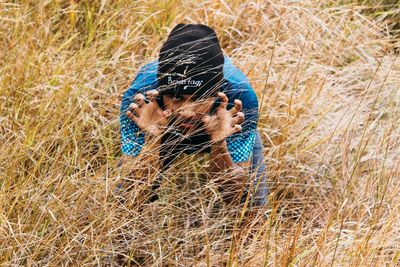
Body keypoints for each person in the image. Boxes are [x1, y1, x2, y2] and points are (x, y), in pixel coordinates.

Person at [119, 23, 267, 207]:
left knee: (252, 206)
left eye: (199, 98)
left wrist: (219, 143)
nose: (187, 112)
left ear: (216, 94)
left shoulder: (239, 97)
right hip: (162, 124)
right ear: (160, 93)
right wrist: (152, 138)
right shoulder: (140, 99)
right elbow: (130, 196)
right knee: (124, 203)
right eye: (176, 97)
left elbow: (236, 201)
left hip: (219, 123)